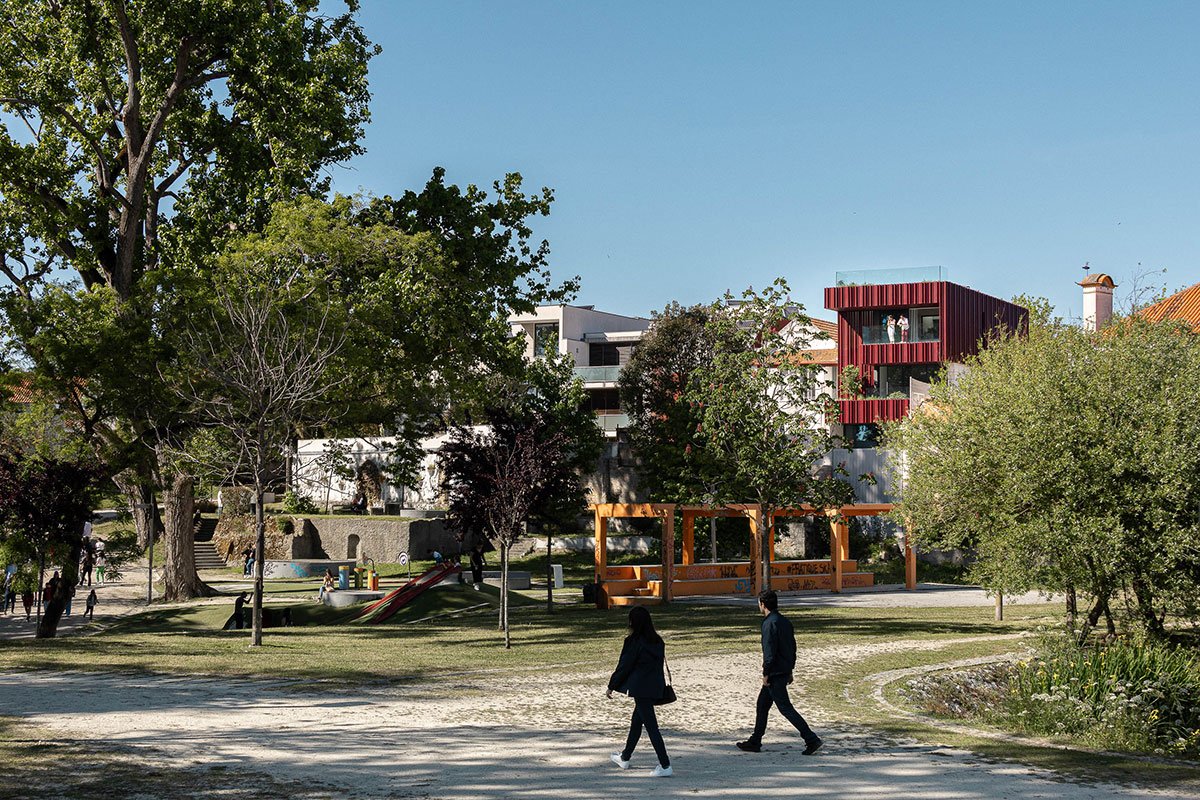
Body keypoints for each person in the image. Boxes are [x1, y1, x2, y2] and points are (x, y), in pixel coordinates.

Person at [736, 590, 822, 755]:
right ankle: (755, 740)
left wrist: (766, 673)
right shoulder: (784, 621)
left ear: (762, 604)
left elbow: (769, 652)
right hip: (783, 670)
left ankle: (811, 739)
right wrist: (790, 669)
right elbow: (792, 648)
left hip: (774, 673)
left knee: (785, 708)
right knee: (762, 705)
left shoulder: (768, 624)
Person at [606, 606, 673, 777]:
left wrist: (612, 685)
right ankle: (625, 757)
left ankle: (665, 765)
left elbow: (624, 666)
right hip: (655, 687)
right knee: (637, 722)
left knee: (652, 727)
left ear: (633, 622)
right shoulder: (658, 641)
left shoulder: (633, 642)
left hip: (640, 688)